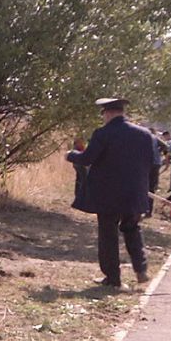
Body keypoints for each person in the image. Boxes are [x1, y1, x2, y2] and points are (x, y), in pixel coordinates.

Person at [66, 98, 154, 287]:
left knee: (108, 234)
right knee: (132, 229)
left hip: (109, 195)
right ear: (122, 112)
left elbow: (88, 158)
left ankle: (113, 278)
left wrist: (71, 155)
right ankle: (141, 270)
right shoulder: (145, 134)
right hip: (135, 193)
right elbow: (153, 163)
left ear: (107, 113)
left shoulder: (103, 133)